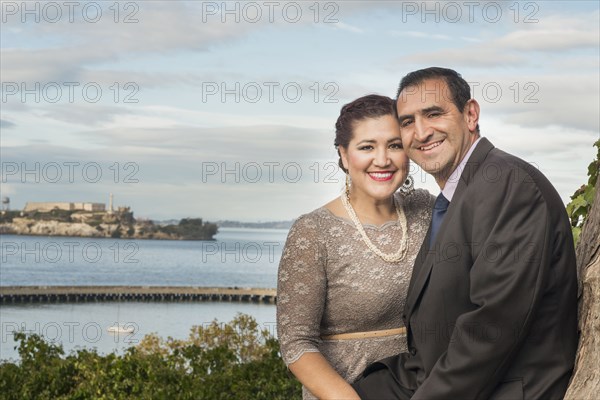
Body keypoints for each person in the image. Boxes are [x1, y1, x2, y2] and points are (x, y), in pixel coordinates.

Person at [352, 67, 578, 399]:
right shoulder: (457, 196)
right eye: (408, 122)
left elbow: (490, 330)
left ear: (470, 114)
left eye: (433, 114)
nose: (421, 132)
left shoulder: (507, 185)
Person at [276, 94, 434, 399]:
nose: (383, 159)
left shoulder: (426, 210)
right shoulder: (313, 232)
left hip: (425, 387)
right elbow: (296, 343)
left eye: (395, 145)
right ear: (344, 156)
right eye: (367, 147)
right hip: (346, 391)